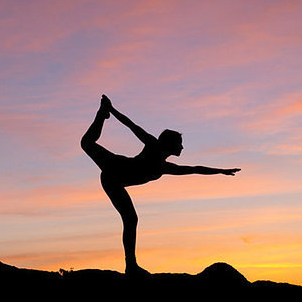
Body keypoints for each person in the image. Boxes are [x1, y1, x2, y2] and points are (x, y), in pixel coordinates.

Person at [81, 95, 241, 276]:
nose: (182, 148)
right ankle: (102, 113)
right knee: (86, 143)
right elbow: (131, 125)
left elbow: (195, 169)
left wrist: (221, 171)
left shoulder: (164, 168)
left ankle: (130, 265)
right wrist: (111, 109)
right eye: (180, 144)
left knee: (131, 219)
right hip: (114, 166)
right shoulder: (152, 145)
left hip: (113, 181)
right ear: (170, 145)